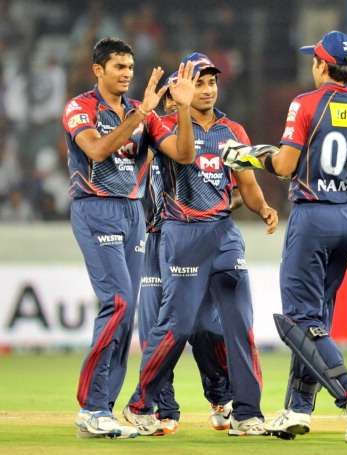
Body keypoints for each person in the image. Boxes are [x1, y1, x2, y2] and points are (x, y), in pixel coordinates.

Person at [223, 30, 347, 444]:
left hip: (313, 216)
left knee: (298, 318)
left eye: (315, 59)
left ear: (321, 65)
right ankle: (297, 409)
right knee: (317, 317)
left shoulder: (306, 103)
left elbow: (285, 164)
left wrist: (252, 155)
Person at [123, 51, 278, 437]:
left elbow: (248, 185)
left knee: (239, 324)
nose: (206, 89)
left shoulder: (234, 131)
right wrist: (183, 109)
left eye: (211, 82)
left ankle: (247, 413)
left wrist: (263, 209)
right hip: (182, 234)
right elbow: (186, 153)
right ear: (178, 90)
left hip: (224, 234)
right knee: (178, 324)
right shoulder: (162, 124)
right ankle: (142, 403)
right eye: (197, 83)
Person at [61, 37, 197, 439]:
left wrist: (185, 109)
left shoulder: (144, 113)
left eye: (130, 68)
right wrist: (142, 116)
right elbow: (98, 151)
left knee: (126, 311)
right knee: (117, 301)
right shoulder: (80, 108)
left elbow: (185, 154)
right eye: (118, 67)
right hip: (95, 207)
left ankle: (102, 408)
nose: (126, 74)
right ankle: (91, 407)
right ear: (97, 70)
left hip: (132, 213)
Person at [136, 73, 241, 435]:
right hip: (151, 241)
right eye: (170, 98)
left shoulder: (196, 139)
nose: (172, 105)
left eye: (177, 98)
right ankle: (163, 410)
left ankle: (220, 399)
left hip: (184, 239)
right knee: (155, 327)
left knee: (203, 325)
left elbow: (227, 190)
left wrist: (222, 209)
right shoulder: (150, 133)